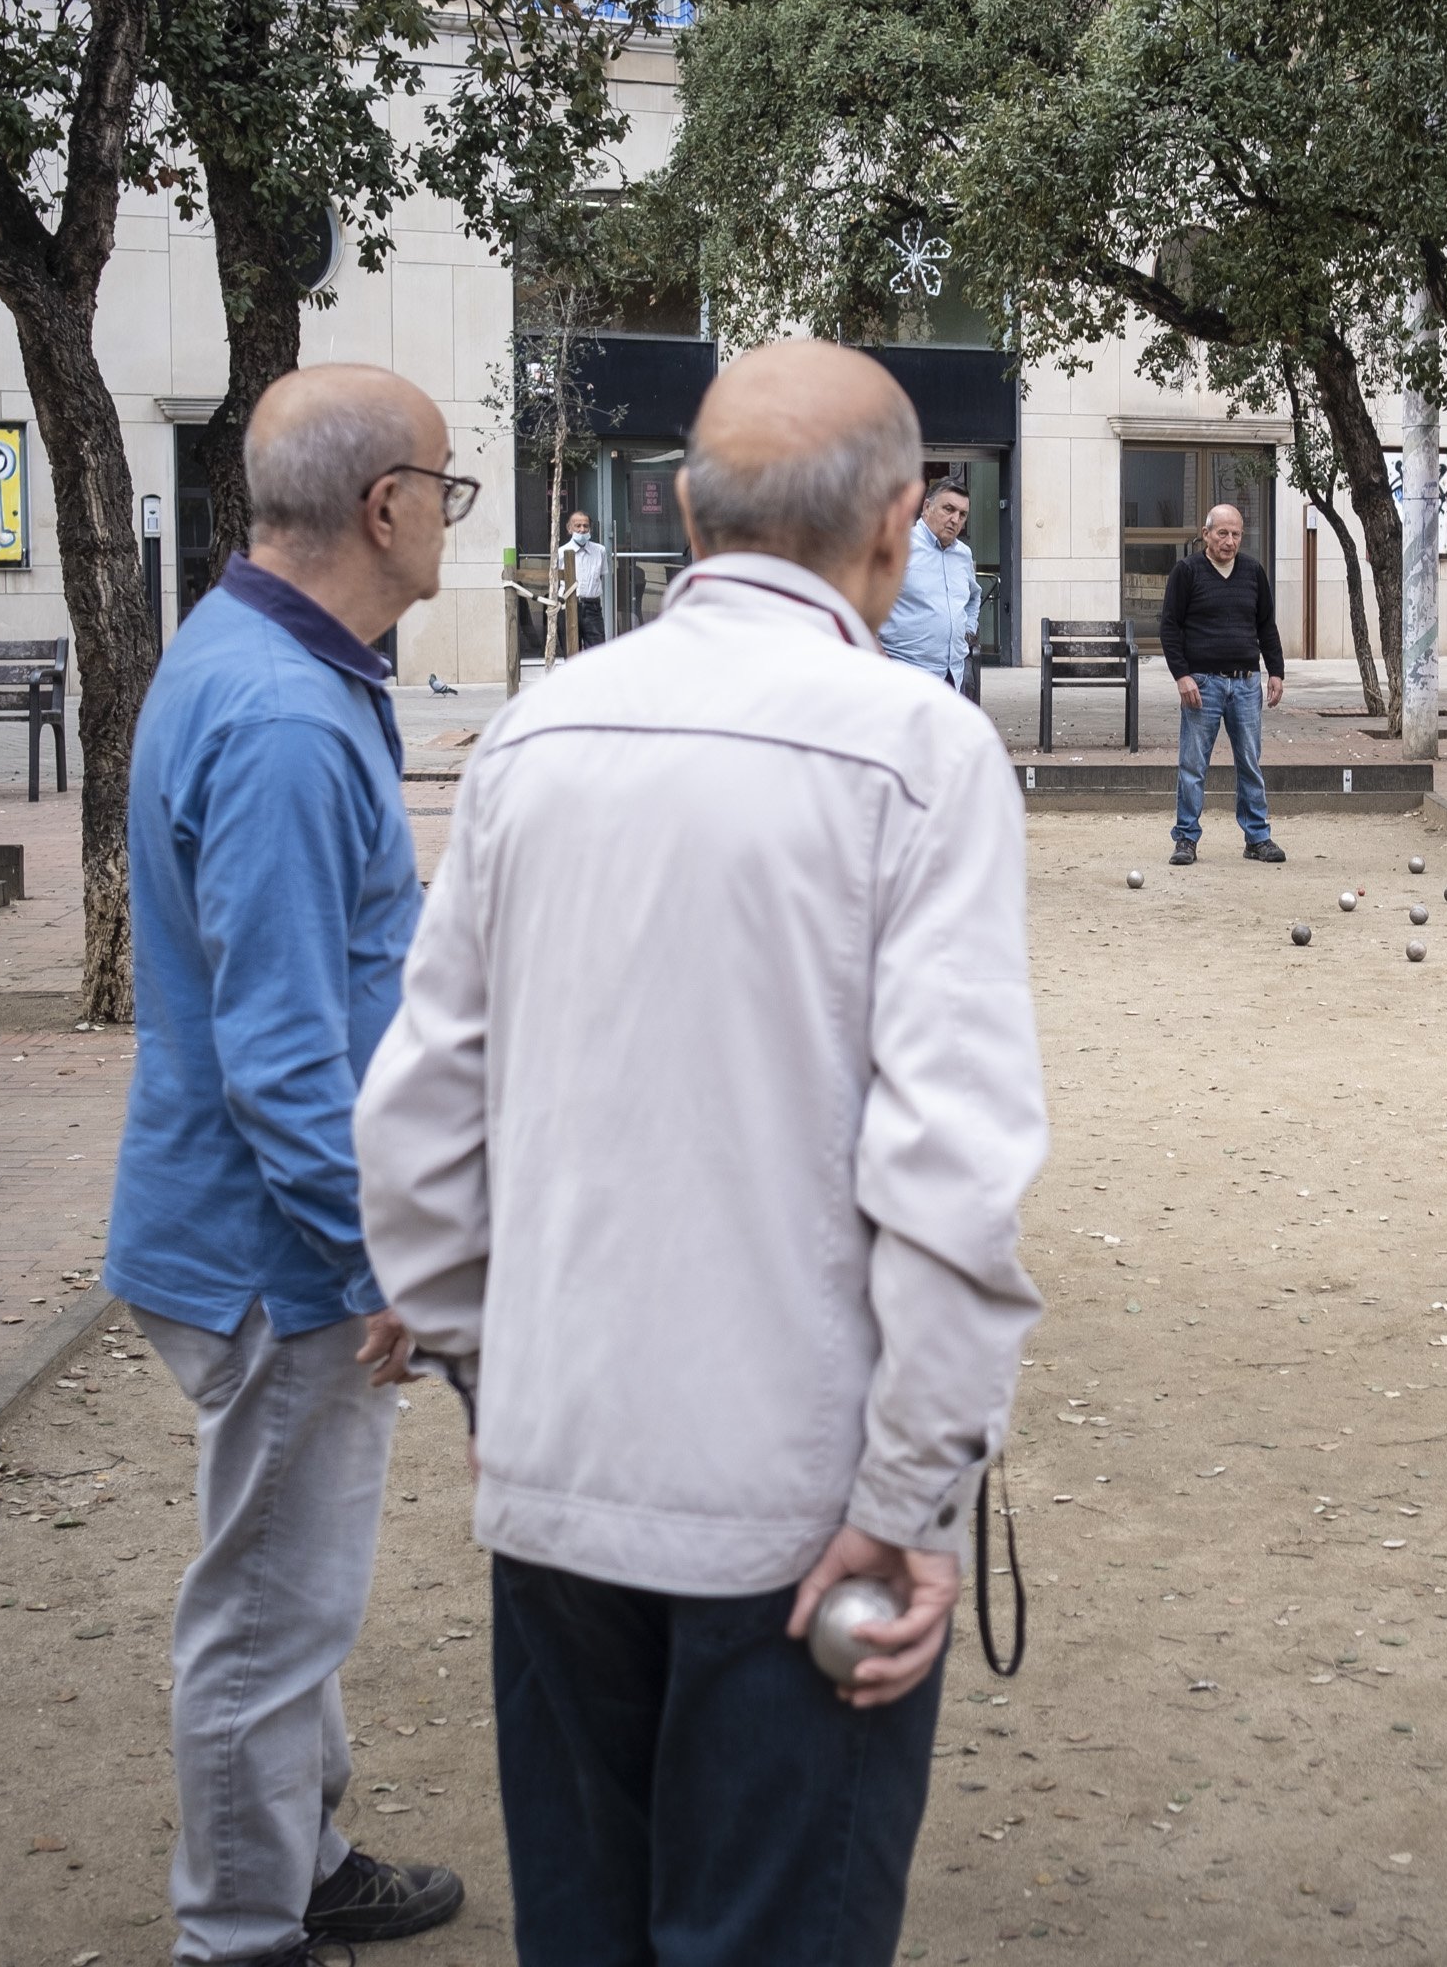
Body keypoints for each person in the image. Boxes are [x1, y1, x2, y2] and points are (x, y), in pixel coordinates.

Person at [354, 339, 1048, 1967]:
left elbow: (419, 1116)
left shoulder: (536, 738)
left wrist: (486, 1371)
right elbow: (953, 1167)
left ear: (680, 508)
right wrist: (911, 1491)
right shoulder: (918, 752)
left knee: (587, 1929)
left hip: (564, 1473)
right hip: (803, 1517)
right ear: (896, 528)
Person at [107, 363, 472, 1967]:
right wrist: (376, 1261)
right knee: (267, 1615)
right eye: (448, 489)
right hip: (277, 1254)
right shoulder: (277, 714)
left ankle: (300, 1861)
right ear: (385, 507)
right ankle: (241, 1932)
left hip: (255, 1235)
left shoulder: (260, 655)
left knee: (285, 1589)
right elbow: (279, 1059)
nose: (453, 517)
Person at [1159, 501, 1286, 865]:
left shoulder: (1252, 571)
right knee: (1193, 765)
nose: (1229, 541)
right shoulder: (1187, 572)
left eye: (1236, 534)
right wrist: (1181, 676)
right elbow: (1170, 627)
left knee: (1249, 762)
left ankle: (1257, 838)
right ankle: (1185, 838)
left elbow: (1266, 625)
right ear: (1206, 535)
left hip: (1246, 684)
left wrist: (1275, 670)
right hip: (1202, 685)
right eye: (1222, 533)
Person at [880, 476, 982, 689]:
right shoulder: (899, 547)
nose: (955, 520)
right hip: (906, 672)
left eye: (962, 514)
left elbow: (973, 596)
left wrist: (969, 628)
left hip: (954, 675)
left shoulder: (963, 555)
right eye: (948, 509)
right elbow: (864, 601)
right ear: (927, 507)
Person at [559, 509, 608, 652]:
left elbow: (600, 576)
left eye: (585, 526)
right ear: (569, 528)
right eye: (577, 526)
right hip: (568, 606)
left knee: (597, 653)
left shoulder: (600, 551)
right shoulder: (561, 552)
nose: (582, 530)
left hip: (592, 607)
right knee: (571, 653)